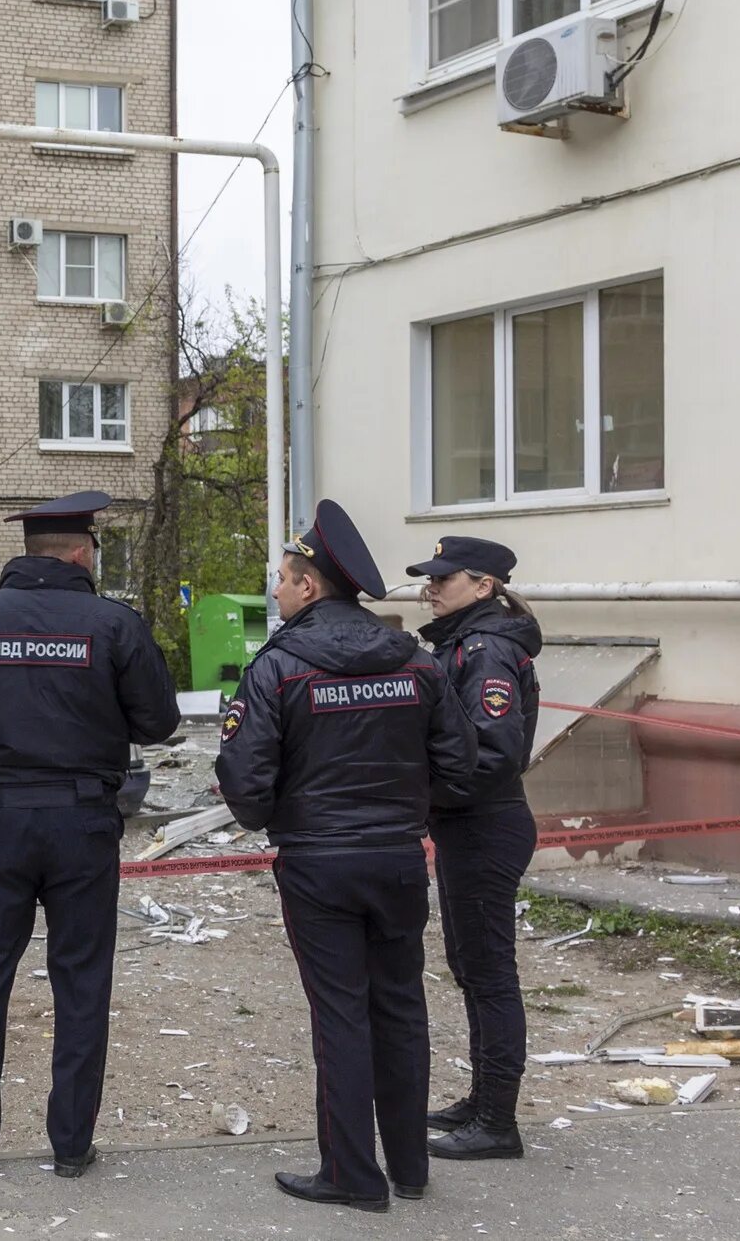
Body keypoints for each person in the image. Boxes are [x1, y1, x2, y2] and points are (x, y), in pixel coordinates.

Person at [0, 490, 179, 1180]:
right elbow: (159, 721)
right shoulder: (113, 623)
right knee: (82, 982)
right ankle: (70, 1145)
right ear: (83, 551)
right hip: (85, 822)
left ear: (28, 551)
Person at [216, 500, 475, 1212]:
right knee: (401, 1007)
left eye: (281, 577)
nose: (273, 589)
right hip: (396, 859)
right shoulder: (415, 661)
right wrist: (406, 813)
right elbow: (459, 765)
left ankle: (352, 1174)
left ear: (309, 586)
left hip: (319, 863)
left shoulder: (281, 666)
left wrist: (286, 820)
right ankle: (411, 1167)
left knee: (340, 1014)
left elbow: (244, 783)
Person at [405, 535, 542, 1162]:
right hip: (469, 823)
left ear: (484, 587)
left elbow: (493, 754)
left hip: (486, 823)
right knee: (471, 967)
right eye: (430, 578)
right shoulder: (464, 644)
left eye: (445, 579)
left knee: (489, 973)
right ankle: (483, 1099)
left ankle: (497, 1122)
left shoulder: (486, 652)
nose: (431, 588)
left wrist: (422, 790)